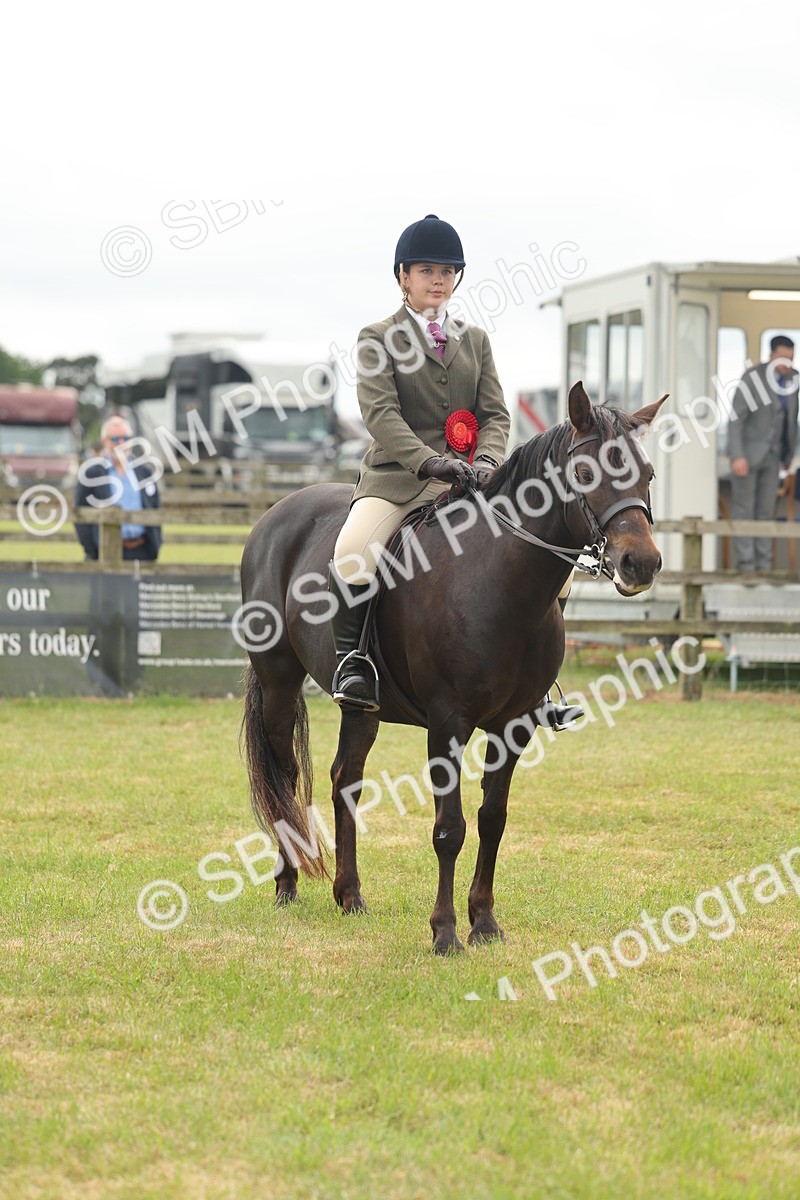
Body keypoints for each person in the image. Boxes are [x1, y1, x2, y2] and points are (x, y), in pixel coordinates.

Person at [328, 213, 583, 730]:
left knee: (554, 567)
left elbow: (495, 413)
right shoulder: (376, 337)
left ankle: (537, 684)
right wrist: (428, 461)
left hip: (472, 484)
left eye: (447, 270)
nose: (437, 279)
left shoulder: (476, 340)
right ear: (403, 277)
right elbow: (380, 414)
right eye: (426, 269)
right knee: (352, 553)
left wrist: (488, 460)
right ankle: (354, 664)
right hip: (400, 481)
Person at [728, 335, 799, 574]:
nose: (786, 363)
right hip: (746, 457)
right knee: (744, 511)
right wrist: (737, 455)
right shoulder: (753, 377)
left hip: (775, 457)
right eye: (782, 358)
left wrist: (789, 458)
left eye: (790, 358)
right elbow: (736, 418)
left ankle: (764, 567)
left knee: (766, 513)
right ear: (770, 356)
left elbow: (791, 420)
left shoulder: (793, 379)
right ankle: (746, 568)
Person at [74, 414, 162, 561]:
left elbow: (156, 508)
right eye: (114, 439)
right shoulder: (91, 474)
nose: (121, 443)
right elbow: (80, 514)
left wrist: (155, 545)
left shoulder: (144, 472)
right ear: (104, 442)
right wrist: (92, 550)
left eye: (125, 438)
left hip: (142, 551)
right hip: (105, 552)